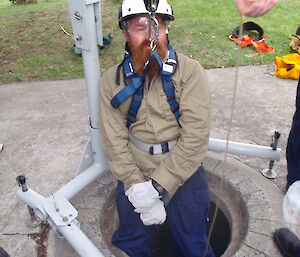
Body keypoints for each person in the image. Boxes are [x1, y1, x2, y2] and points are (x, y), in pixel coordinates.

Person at [98, 0, 215, 256]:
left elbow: (195, 137)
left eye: (157, 26)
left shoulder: (190, 72)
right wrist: (134, 185)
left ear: (167, 30)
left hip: (183, 169)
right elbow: (114, 140)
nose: (150, 37)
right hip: (137, 169)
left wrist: (159, 187)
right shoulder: (111, 81)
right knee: (129, 245)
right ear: (125, 34)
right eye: (140, 27)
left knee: (194, 243)